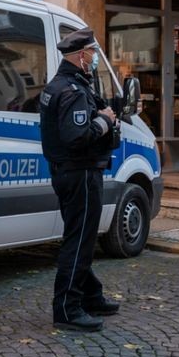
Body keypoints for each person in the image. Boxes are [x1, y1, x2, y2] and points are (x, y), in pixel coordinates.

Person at [40, 28, 121, 332]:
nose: (95, 56)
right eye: (92, 52)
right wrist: (105, 120)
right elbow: (77, 136)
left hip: (68, 172)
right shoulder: (72, 90)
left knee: (80, 237)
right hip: (81, 172)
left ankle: (90, 294)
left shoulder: (60, 85)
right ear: (80, 56)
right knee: (80, 240)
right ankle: (67, 309)